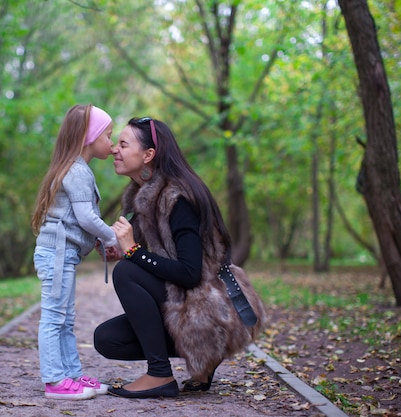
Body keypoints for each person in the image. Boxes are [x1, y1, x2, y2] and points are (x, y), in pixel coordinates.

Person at [94, 117, 265, 398]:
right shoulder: (141, 196)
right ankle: (203, 360)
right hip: (184, 301)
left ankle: (159, 374)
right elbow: (155, 259)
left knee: (126, 272)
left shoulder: (178, 198)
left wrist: (134, 253)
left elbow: (190, 273)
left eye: (123, 144)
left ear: (149, 155)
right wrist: (122, 250)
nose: (114, 150)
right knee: (107, 339)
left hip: (210, 311)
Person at [31, 104, 118, 400]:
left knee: (65, 318)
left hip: (63, 254)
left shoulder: (77, 169)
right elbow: (86, 219)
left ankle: (71, 375)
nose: (112, 142)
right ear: (89, 137)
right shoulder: (77, 171)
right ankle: (55, 381)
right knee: (54, 317)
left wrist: (94, 241)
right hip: (56, 254)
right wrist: (112, 237)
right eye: (108, 135)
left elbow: (77, 220)